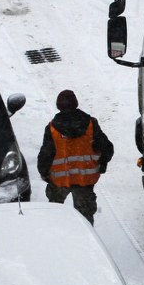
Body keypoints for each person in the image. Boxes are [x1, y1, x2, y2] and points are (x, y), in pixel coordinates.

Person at [37, 89, 114, 223]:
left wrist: (44, 173)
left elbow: (45, 155)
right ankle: (86, 242)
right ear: (76, 103)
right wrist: (102, 165)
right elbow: (107, 148)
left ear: (58, 106)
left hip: (59, 181)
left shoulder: (52, 129)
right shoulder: (90, 124)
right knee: (85, 220)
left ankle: (58, 240)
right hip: (85, 180)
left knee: (54, 216)